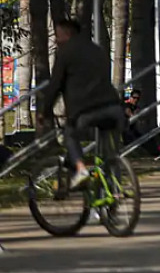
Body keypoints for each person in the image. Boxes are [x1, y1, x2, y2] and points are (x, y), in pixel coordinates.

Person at [42, 19, 125, 189]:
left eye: (58, 35)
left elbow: (55, 85)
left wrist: (45, 111)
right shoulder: (98, 50)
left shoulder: (65, 53)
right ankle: (115, 190)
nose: (56, 40)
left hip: (85, 110)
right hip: (113, 106)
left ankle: (81, 170)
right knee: (111, 152)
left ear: (68, 34)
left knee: (70, 135)